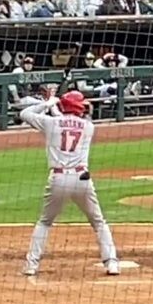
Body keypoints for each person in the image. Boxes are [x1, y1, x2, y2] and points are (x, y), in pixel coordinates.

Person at [19, 90, 120, 277]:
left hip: (58, 180)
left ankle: (32, 265)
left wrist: (48, 103)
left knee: (45, 222)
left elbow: (24, 114)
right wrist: (56, 106)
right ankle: (112, 262)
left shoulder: (50, 123)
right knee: (98, 222)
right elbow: (68, 123)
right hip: (82, 179)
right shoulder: (89, 126)